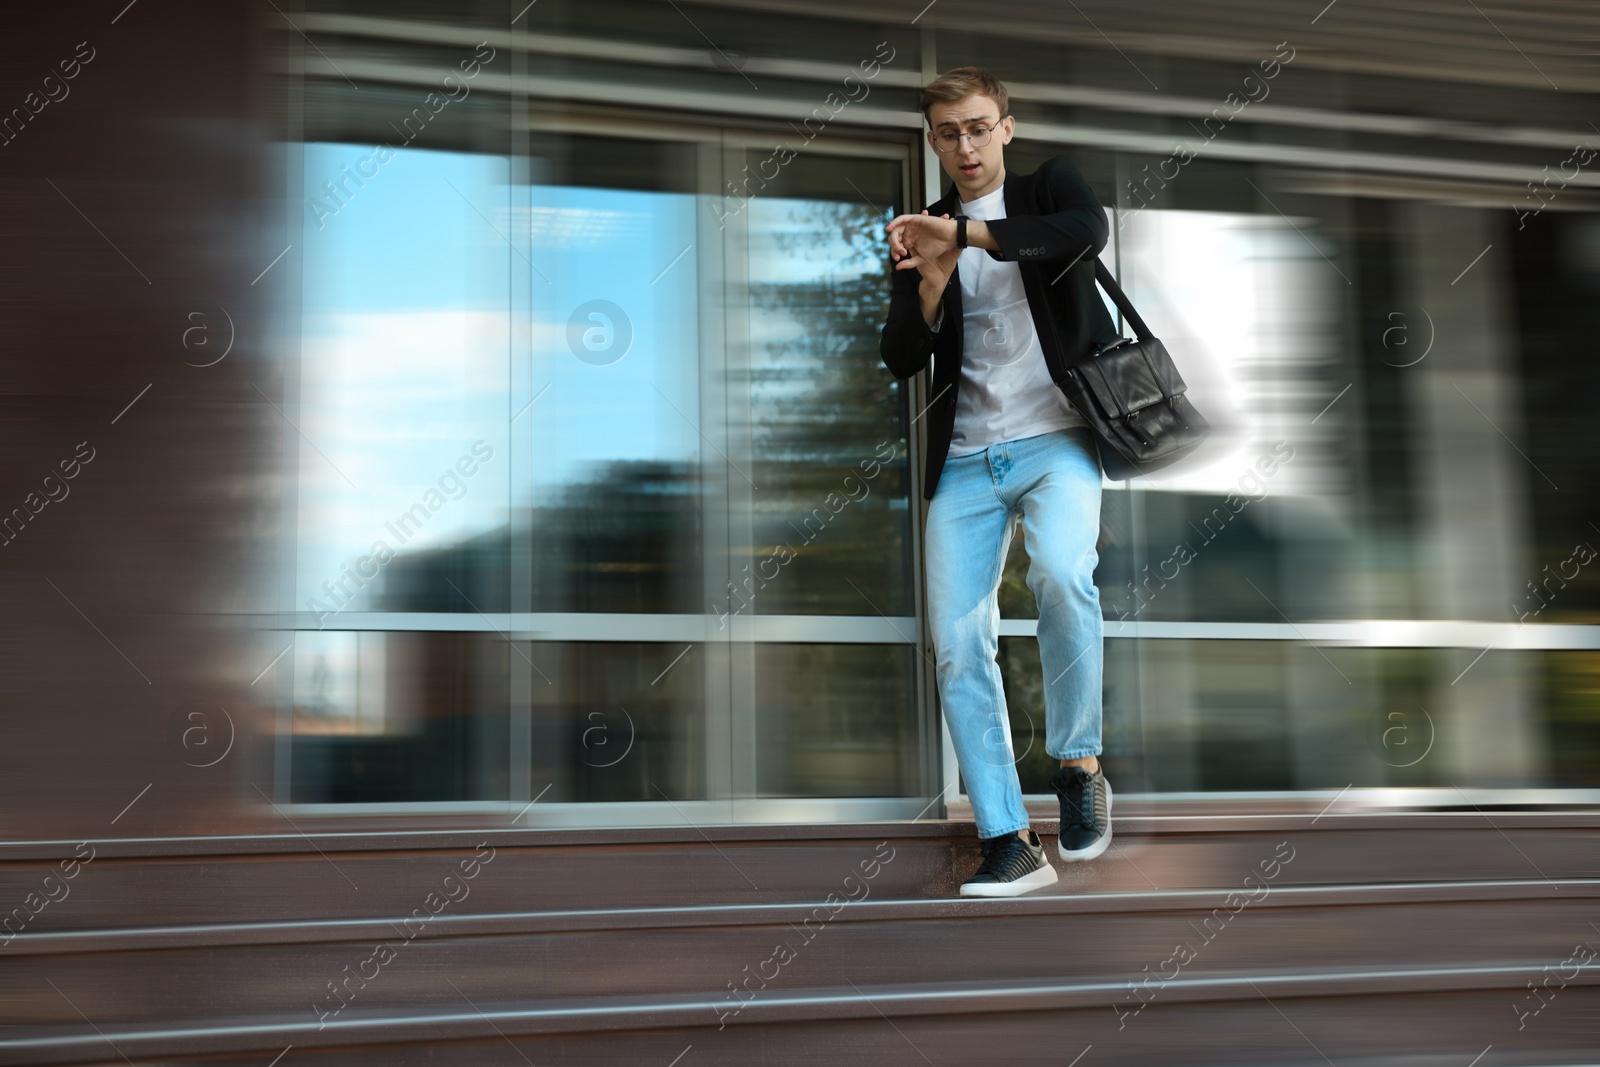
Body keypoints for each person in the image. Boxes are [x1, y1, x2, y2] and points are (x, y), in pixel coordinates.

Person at [879, 67, 1120, 898]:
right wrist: (932, 278)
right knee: (957, 640)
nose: (966, 145)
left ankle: (1080, 761)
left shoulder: (1050, 187)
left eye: (979, 127)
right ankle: (1009, 838)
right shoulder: (923, 228)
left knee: (1060, 572)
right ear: (935, 141)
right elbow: (901, 356)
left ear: (1006, 129)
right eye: (949, 133)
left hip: (1057, 440)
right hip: (966, 461)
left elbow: (1081, 232)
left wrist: (972, 240)